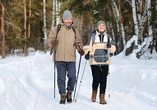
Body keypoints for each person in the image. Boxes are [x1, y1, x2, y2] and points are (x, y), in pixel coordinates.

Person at [47, 10, 84, 104]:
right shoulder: (57, 29)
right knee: (61, 78)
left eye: (70, 19)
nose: (69, 21)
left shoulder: (74, 30)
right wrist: (52, 43)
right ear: (63, 19)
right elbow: (49, 40)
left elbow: (78, 42)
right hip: (59, 58)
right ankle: (62, 95)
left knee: (72, 77)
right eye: (68, 19)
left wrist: (80, 49)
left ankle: (69, 92)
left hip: (71, 57)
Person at [84, 20, 116, 104]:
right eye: (100, 25)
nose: (101, 27)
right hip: (94, 61)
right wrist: (86, 53)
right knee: (96, 79)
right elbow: (88, 47)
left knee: (103, 79)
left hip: (105, 61)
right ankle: (94, 93)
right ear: (97, 27)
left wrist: (110, 46)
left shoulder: (108, 37)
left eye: (103, 25)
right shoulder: (93, 37)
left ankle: (102, 97)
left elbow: (113, 49)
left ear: (105, 27)